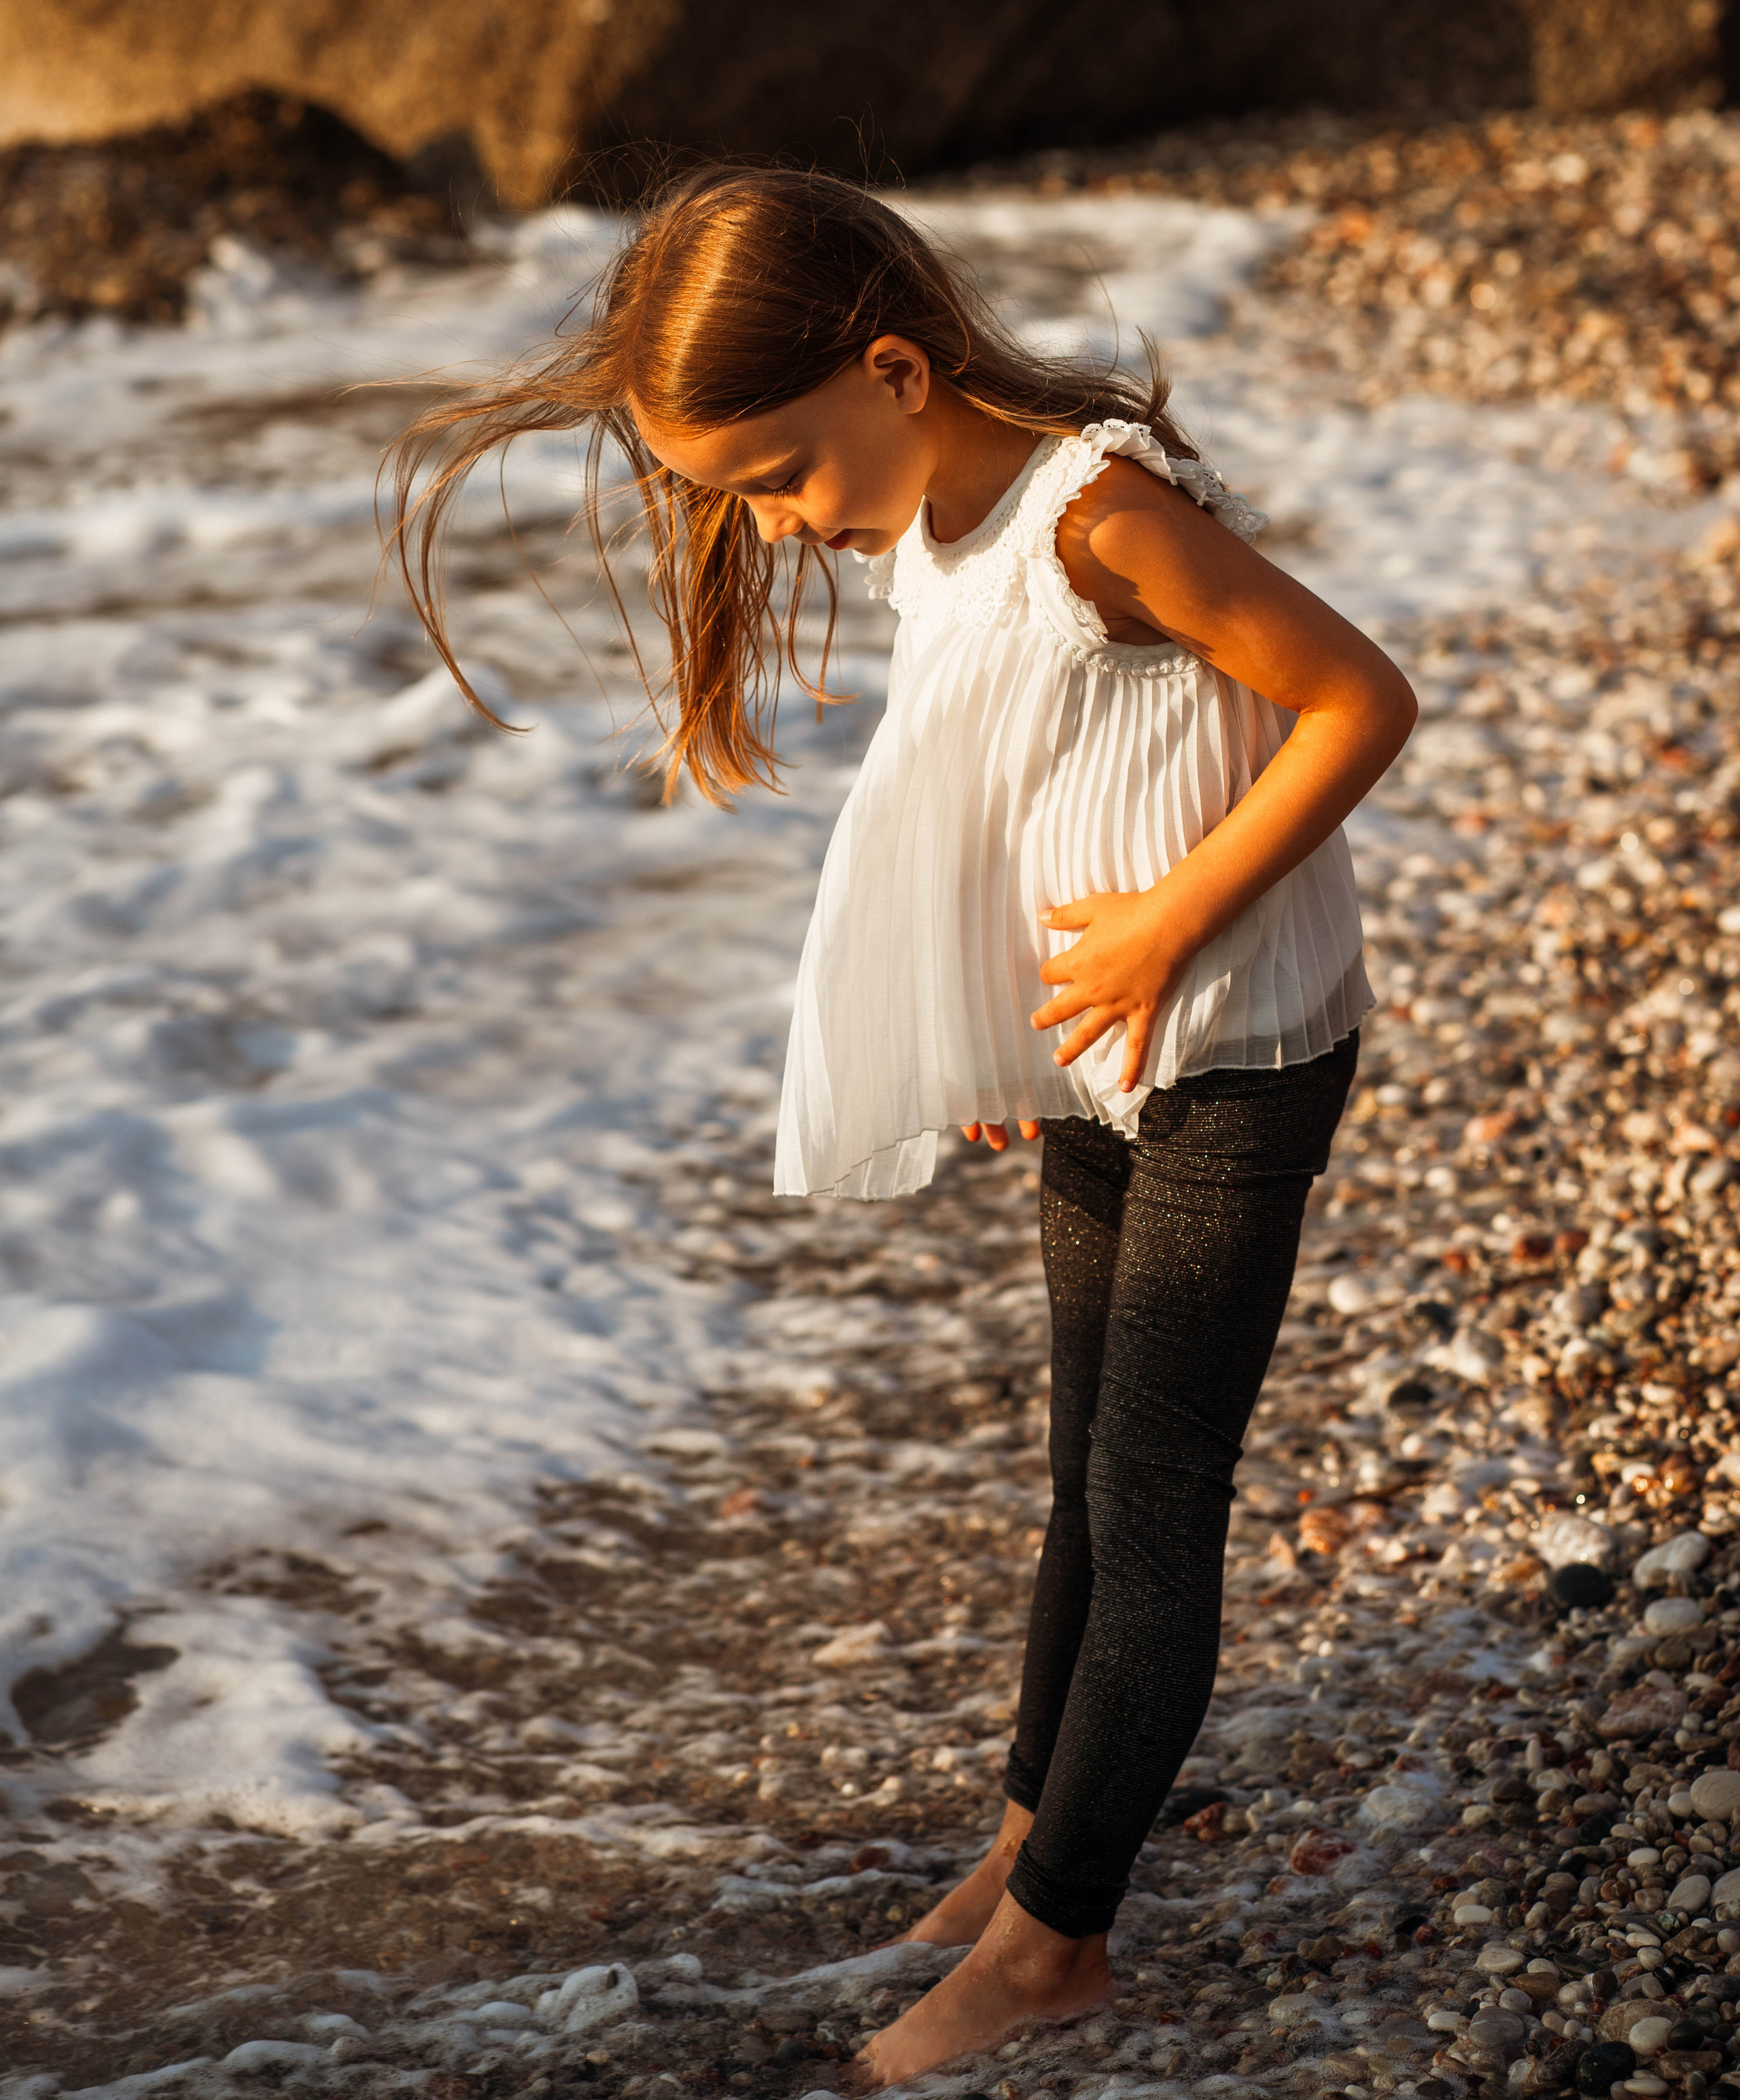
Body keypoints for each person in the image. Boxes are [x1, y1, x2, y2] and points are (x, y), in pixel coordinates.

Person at [384, 166, 1416, 2087]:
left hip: (1233, 1048)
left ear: (891, 365)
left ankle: (1055, 1949)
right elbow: (1007, 763)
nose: (778, 522)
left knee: (1154, 1491)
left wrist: (1170, 926)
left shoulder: (1101, 514)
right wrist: (1018, 1033)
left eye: (777, 475)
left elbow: (1360, 698)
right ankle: (1031, 1833)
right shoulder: (933, 508)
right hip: (1105, 1048)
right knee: (1076, 1465)